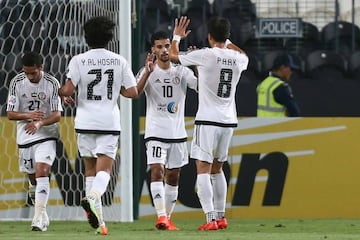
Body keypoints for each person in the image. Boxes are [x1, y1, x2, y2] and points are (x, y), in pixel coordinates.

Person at [58, 16, 138, 235]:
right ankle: (92, 198)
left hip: (84, 121)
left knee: (90, 171)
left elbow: (67, 90)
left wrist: (60, 92)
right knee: (105, 170)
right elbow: (132, 92)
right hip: (108, 121)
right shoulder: (119, 60)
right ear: (110, 37)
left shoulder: (78, 60)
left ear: (86, 37)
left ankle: (101, 225)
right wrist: (117, 89)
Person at [169, 16, 249, 230]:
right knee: (217, 168)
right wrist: (227, 42)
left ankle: (210, 219)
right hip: (228, 120)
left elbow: (172, 55)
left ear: (209, 36)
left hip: (207, 119)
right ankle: (221, 217)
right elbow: (243, 54)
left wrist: (177, 35)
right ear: (227, 36)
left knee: (203, 169)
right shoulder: (238, 58)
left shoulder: (205, 54)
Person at [136, 31, 198, 230]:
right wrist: (146, 71)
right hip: (155, 132)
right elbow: (135, 93)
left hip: (177, 134)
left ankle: (167, 219)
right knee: (156, 171)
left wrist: (196, 64)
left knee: (173, 176)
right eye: (159, 47)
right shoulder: (147, 70)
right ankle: (161, 216)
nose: (163, 50)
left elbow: (200, 86)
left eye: (166, 46)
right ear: (153, 49)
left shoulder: (181, 71)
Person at [6, 52, 63, 232]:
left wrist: (39, 122)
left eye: (33, 73)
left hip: (46, 134)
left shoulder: (52, 83)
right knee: (33, 176)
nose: (29, 77)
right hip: (25, 136)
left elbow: (56, 115)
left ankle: (38, 218)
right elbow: (10, 114)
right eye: (26, 73)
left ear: (41, 67)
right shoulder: (16, 82)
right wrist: (29, 116)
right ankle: (34, 191)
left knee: (42, 170)